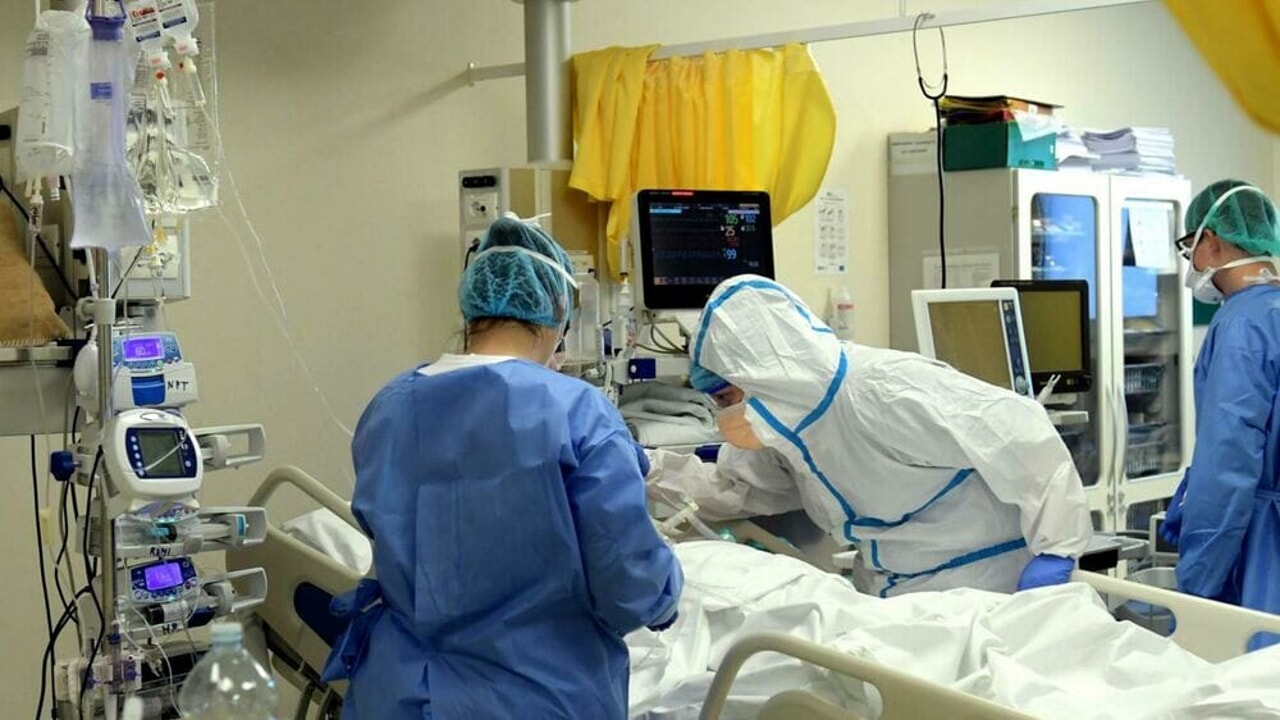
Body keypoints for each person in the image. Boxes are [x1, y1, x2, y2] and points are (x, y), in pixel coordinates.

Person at [322, 216, 683, 718]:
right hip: (534, 695)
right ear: (557, 313)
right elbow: (628, 582)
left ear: (472, 306)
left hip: (398, 694)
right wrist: (665, 596)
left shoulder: (390, 406)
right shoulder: (577, 412)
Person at [647, 275, 1092, 597]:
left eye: (726, 397)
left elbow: (1022, 434)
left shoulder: (883, 389)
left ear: (764, 376)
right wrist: (647, 470)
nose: (724, 414)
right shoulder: (789, 429)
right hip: (902, 598)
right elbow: (738, 490)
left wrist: (1056, 551)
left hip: (993, 585)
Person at [1161, 179, 1280, 651]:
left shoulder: (1242, 325)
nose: (1191, 261)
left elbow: (1228, 463)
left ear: (1210, 240)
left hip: (1265, 549)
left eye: (1189, 246)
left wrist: (1197, 582)